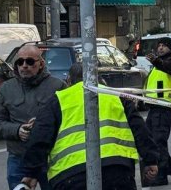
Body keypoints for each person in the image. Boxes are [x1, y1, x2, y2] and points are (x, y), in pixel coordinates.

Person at [20, 64, 159, 190]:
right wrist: (150, 160)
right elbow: (140, 129)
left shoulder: (58, 100)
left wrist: (30, 173)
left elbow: (40, 138)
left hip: (70, 175)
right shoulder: (116, 97)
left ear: (69, 80)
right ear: (99, 78)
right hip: (116, 170)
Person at [0, 45, 65, 190]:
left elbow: (69, 120)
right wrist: (17, 130)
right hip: (19, 158)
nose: (24, 66)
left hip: (51, 158)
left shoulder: (57, 86)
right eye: (20, 62)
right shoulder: (7, 88)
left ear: (41, 64)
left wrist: (43, 126)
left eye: (30, 62)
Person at [143, 38, 171, 186]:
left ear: (170, 48)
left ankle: (161, 175)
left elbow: (169, 68)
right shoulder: (159, 63)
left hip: (164, 106)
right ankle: (167, 167)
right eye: (159, 46)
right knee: (150, 139)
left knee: (158, 141)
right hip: (155, 106)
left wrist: (156, 61)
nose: (160, 48)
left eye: (164, 46)